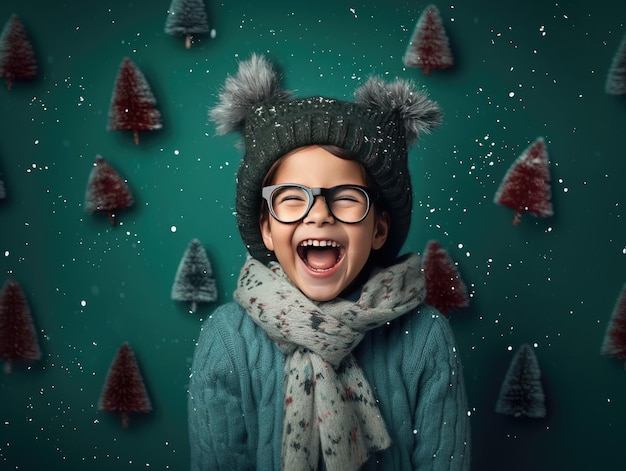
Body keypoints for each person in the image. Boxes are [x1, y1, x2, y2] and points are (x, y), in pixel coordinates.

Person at [188, 54, 470, 470]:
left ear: (378, 230)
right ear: (266, 229)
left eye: (346, 198)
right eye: (292, 198)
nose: (318, 214)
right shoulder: (228, 341)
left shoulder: (425, 338)